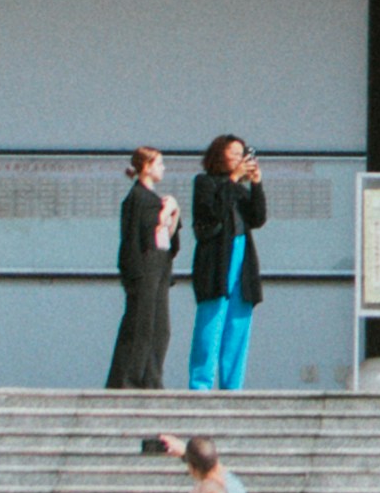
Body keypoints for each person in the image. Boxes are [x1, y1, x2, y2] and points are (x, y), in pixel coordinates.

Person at [187, 135, 269, 393]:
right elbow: (211, 211)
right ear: (219, 155)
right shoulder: (205, 183)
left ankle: (232, 385)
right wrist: (233, 179)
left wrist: (256, 185)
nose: (238, 158)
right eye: (233, 153)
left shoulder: (239, 190)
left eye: (241, 154)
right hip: (216, 262)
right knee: (210, 322)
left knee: (238, 323)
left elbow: (257, 218)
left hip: (243, 260)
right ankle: (200, 383)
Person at [108, 145, 182, 388]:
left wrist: (174, 211)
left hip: (159, 264)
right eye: (159, 163)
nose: (163, 168)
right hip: (144, 265)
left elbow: (168, 236)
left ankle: (151, 378)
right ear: (147, 167)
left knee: (160, 328)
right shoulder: (136, 198)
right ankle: (127, 380)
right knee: (139, 326)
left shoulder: (155, 199)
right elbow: (131, 238)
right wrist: (134, 274)